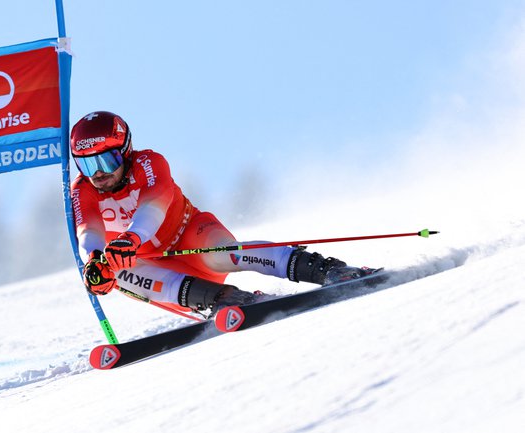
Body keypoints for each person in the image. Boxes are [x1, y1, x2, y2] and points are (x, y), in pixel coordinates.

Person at [70, 111, 377, 316]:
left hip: (190, 234)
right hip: (161, 270)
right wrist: (94, 262)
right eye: (86, 165)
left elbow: (153, 208)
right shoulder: (82, 188)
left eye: (106, 162)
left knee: (220, 254)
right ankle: (225, 299)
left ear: (125, 151)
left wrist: (130, 239)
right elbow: (88, 231)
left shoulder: (149, 163)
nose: (97, 174)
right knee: (116, 272)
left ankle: (326, 269)